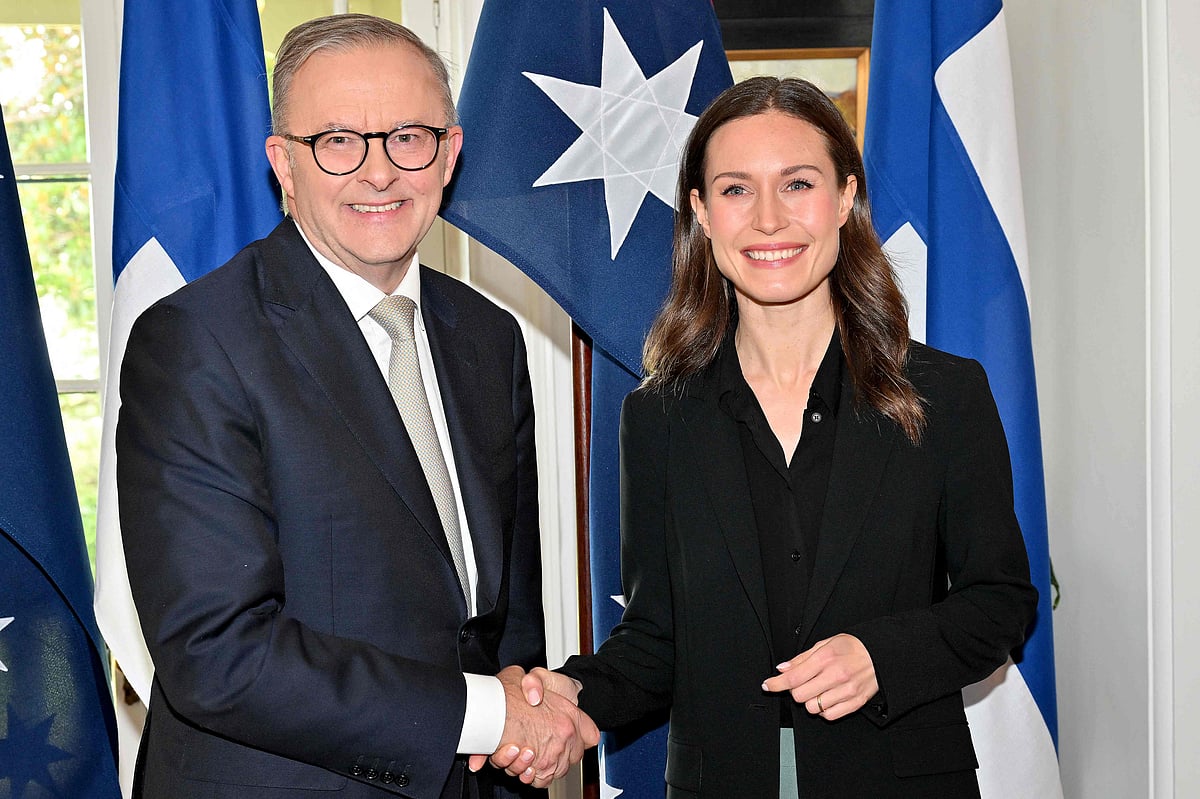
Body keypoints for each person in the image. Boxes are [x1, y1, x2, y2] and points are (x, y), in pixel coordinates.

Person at [504, 77, 1039, 797]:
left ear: (846, 197)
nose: (767, 219)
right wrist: (570, 697)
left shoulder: (944, 393)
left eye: (797, 184)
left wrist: (882, 654)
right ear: (700, 211)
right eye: (734, 189)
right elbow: (657, 639)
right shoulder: (658, 416)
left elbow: (1001, 602)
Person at [117, 14, 595, 799]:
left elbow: (503, 609)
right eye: (338, 141)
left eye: (409, 136)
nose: (380, 173)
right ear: (284, 164)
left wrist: (525, 707)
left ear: (450, 153)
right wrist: (489, 714)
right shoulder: (197, 341)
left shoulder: (488, 335)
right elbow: (218, 652)